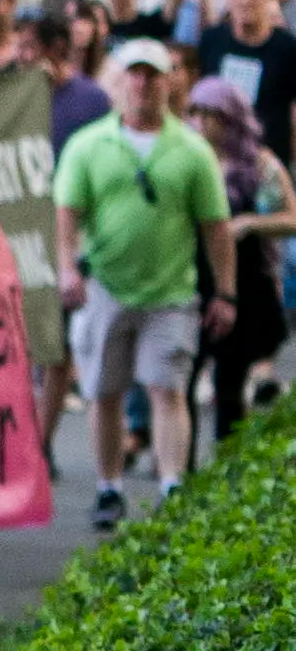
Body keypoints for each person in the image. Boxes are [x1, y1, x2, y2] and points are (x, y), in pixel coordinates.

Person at [56, 37, 232, 527]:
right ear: (120, 81)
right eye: (134, 73)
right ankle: (108, 485)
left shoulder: (192, 150)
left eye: (153, 75)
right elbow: (67, 214)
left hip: (171, 290)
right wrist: (67, 267)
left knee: (166, 387)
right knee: (104, 392)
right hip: (106, 287)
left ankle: (172, 482)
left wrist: (225, 291)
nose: (143, 83)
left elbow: (215, 227)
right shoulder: (89, 145)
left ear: (168, 82)